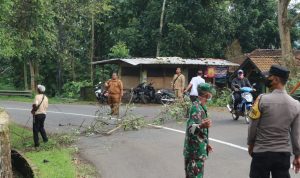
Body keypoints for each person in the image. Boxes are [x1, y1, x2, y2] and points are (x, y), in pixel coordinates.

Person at [248, 65, 300, 178]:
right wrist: (297, 155)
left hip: (261, 153)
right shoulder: (296, 105)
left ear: (276, 79)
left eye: (269, 76)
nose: (267, 79)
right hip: (283, 154)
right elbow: (296, 134)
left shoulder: (261, 99)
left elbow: (252, 125)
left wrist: (251, 144)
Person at [183, 83, 214, 178]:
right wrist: (202, 125)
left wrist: (205, 143)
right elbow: (191, 130)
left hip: (197, 151)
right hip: (194, 154)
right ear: (207, 95)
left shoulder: (200, 107)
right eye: (210, 93)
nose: (211, 95)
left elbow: (198, 132)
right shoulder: (196, 109)